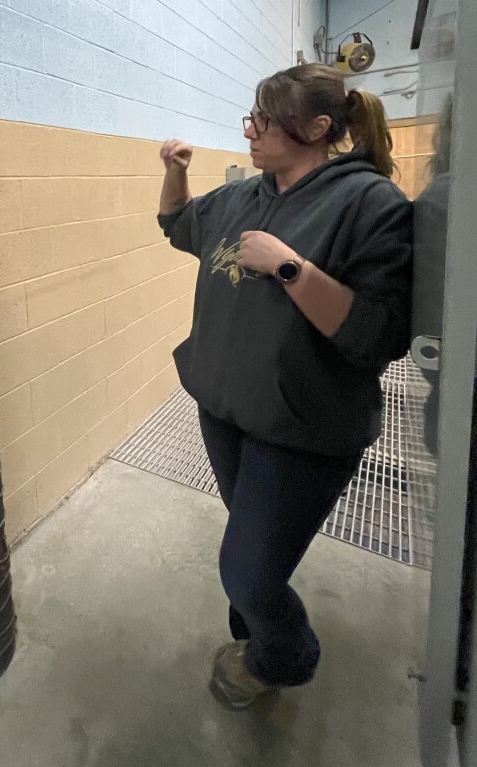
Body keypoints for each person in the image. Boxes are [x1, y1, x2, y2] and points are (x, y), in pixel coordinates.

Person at [158, 63, 412, 709]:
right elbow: (178, 224)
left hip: (303, 427)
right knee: (251, 553)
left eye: (264, 120)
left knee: (246, 570)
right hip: (227, 409)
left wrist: (290, 266)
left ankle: (283, 657)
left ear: (318, 126)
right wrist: (175, 170)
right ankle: (251, 631)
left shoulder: (369, 204)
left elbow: (378, 334)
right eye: (252, 117)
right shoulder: (248, 192)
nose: (251, 130)